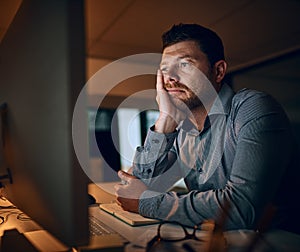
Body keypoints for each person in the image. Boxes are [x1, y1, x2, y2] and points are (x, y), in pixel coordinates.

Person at [114, 23, 300, 233]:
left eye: (185, 65)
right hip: (213, 241)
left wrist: (148, 202)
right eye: (165, 69)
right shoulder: (183, 129)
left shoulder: (253, 109)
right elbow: (140, 186)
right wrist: (165, 122)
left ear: (218, 71)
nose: (171, 78)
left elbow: (241, 209)